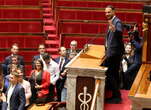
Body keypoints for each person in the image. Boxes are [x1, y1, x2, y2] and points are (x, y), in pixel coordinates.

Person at [103, 5, 124, 104]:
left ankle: (117, 96)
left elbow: (119, 32)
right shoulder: (112, 22)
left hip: (114, 54)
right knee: (114, 74)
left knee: (110, 73)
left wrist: (114, 29)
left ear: (114, 12)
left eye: (109, 12)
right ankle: (116, 96)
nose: (107, 14)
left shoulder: (117, 22)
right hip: (112, 53)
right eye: (106, 12)